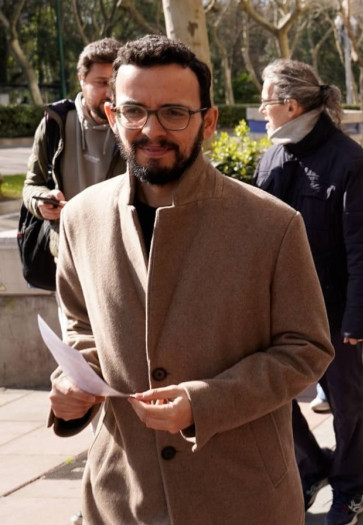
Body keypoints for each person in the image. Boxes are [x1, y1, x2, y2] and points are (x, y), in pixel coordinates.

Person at [46, 35, 334, 525]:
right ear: (113, 116)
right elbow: (80, 328)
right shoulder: (81, 217)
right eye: (135, 111)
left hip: (242, 499)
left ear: (209, 122)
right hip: (122, 498)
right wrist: (71, 388)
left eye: (174, 113)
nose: (151, 130)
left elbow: (307, 349)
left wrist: (205, 403)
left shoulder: (273, 224)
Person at [253, 58, 363, 525]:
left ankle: (350, 489)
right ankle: (312, 467)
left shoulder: (349, 161)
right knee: (269, 396)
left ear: (290, 105)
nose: (261, 109)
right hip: (275, 312)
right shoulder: (271, 155)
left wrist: (360, 320)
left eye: (266, 100)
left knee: (348, 406)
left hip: (333, 313)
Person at [23, 38, 123, 266]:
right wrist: (41, 203)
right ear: (81, 81)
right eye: (101, 82)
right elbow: (31, 185)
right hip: (68, 257)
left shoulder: (135, 127)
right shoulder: (53, 124)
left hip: (120, 256)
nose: (110, 93)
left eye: (116, 83)